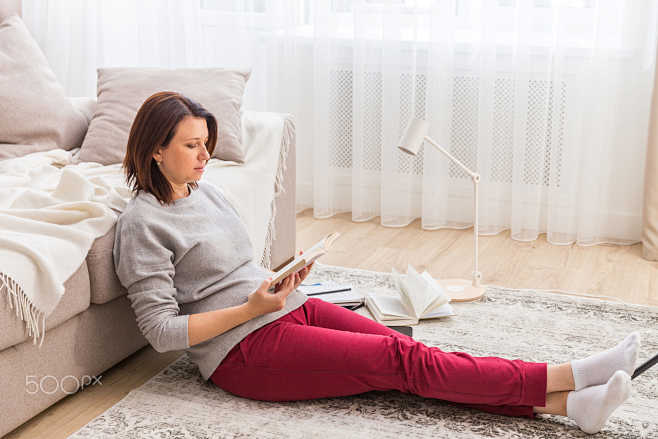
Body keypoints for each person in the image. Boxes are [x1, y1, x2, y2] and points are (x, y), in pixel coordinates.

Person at [113, 91, 640, 435]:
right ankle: (570, 374)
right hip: (242, 353)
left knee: (405, 351)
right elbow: (161, 331)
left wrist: (284, 275)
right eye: (192, 146)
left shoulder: (204, 191)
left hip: (284, 308)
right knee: (401, 365)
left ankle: (567, 408)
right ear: (154, 150)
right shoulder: (142, 225)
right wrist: (251, 306)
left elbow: (235, 270)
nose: (206, 156)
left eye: (207, 144)